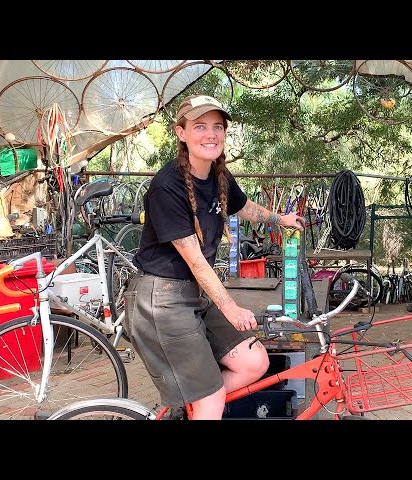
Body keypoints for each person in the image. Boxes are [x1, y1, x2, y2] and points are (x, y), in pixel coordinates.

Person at [124, 94, 305, 420]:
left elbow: (243, 207)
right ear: (181, 133)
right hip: (161, 298)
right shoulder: (167, 186)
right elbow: (195, 260)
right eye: (200, 126)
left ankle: (196, 406)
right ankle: (204, 403)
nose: (211, 134)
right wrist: (230, 306)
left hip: (194, 291)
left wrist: (281, 219)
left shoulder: (219, 177)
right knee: (211, 398)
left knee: (255, 362)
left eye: (217, 126)